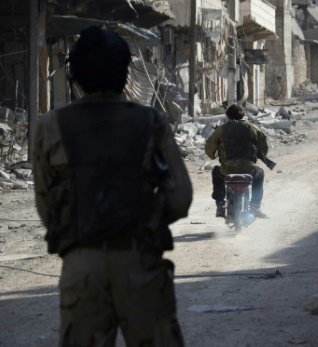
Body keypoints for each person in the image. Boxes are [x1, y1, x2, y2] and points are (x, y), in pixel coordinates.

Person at [33, 26, 192, 347]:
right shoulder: (151, 122)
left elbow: (46, 204)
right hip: (141, 263)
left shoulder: (50, 126)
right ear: (125, 73)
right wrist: (146, 219)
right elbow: (180, 198)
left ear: (76, 76)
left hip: (81, 267)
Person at [205, 104, 269, 218]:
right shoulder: (251, 128)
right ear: (242, 115)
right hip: (249, 168)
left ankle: (220, 204)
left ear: (227, 116)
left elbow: (210, 149)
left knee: (216, 172)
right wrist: (260, 155)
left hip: (227, 169)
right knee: (260, 173)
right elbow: (263, 146)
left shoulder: (221, 129)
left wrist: (212, 156)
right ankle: (255, 205)